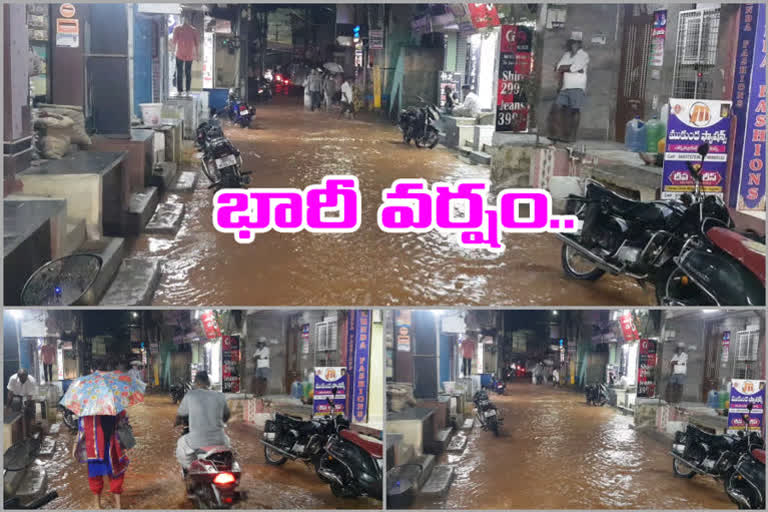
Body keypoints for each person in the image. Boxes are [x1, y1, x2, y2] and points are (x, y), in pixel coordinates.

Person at [175, 371, 231, 474]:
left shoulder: (191, 394)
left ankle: (190, 472)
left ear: (196, 383)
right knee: (228, 443)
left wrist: (176, 423)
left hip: (197, 440)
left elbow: (180, 415)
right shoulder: (220, 395)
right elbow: (227, 415)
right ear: (209, 383)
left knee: (181, 445)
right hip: (220, 440)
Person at [72, 411, 130, 509]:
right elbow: (82, 429)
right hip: (94, 447)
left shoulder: (115, 407)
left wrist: (126, 445)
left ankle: (117, 506)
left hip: (112, 446)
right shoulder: (89, 410)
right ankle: (98, 505)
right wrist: (75, 445)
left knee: (116, 474)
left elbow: (124, 425)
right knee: (95, 475)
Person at [549, 36, 589, 143]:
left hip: (577, 86)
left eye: (576, 43)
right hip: (565, 87)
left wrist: (566, 68)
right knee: (557, 107)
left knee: (575, 110)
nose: (573, 45)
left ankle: (572, 137)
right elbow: (559, 66)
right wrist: (566, 68)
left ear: (579, 44)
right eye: (572, 43)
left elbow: (574, 67)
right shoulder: (566, 54)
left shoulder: (583, 55)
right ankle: (557, 134)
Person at [170, 14, 199, 96]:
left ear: (189, 19)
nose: (185, 20)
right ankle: (179, 91)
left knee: (188, 73)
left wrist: (197, 55)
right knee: (179, 73)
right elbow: (174, 42)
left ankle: (188, 90)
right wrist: (172, 53)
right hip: (179, 54)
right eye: (184, 18)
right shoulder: (177, 28)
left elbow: (197, 44)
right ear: (182, 19)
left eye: (187, 18)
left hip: (189, 55)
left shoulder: (194, 30)